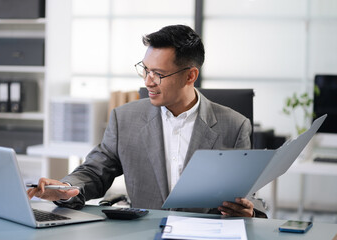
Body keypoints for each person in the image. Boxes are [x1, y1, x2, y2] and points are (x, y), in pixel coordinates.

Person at [28, 24, 266, 218]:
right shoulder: (125, 118)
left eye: (158, 74)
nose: (148, 81)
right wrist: (62, 189)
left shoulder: (235, 126)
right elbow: (95, 171)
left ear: (190, 75)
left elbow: (247, 192)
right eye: (145, 69)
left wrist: (249, 210)